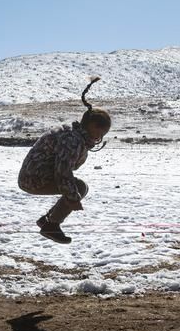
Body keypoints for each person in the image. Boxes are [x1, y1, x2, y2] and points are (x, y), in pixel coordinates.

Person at [18, 77, 111, 244]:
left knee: (78, 188)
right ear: (93, 127)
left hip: (33, 176)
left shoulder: (73, 135)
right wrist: (73, 198)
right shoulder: (72, 140)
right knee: (79, 187)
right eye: (101, 132)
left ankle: (47, 220)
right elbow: (63, 171)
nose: (100, 137)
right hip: (32, 179)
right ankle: (51, 226)